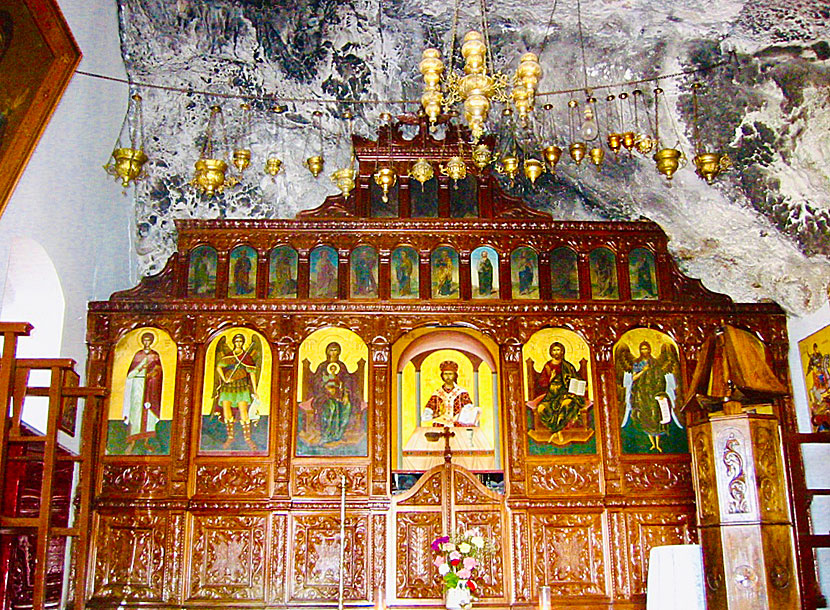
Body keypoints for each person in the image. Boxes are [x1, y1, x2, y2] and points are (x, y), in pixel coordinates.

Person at [301, 341, 365, 447]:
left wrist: (345, 395)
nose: (333, 353)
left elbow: (348, 381)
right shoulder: (322, 366)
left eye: (336, 350)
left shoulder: (341, 366)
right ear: (327, 352)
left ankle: (338, 434)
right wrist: (325, 387)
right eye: (331, 350)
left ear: (339, 352)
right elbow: (315, 382)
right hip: (323, 396)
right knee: (331, 407)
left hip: (340, 395)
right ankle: (326, 434)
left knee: (347, 406)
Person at [621, 340, 678, 453]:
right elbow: (634, 378)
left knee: (655, 416)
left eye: (646, 349)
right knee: (645, 416)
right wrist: (643, 371)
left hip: (654, 393)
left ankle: (658, 443)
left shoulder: (655, 363)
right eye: (642, 349)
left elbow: (661, 378)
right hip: (642, 393)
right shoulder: (638, 363)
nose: (644, 351)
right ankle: (651, 443)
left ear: (650, 350)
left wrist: (660, 392)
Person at [529, 342, 587, 440]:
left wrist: (580, 386)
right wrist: (550, 379)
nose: (556, 352)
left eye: (558, 350)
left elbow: (576, 379)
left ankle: (557, 431)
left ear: (562, 351)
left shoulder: (568, 366)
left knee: (566, 404)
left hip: (566, 394)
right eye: (554, 350)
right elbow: (541, 383)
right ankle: (556, 430)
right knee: (541, 409)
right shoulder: (547, 366)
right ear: (551, 352)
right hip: (551, 396)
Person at [214, 333, 260, 450]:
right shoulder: (229, 356)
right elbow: (218, 367)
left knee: (243, 411)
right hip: (228, 386)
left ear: (243, 342)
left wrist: (255, 390)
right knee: (226, 409)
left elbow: (252, 374)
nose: (238, 343)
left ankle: (247, 438)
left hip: (241, 386)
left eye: (240, 341)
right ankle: (230, 437)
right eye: (236, 341)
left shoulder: (246, 357)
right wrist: (224, 379)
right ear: (234, 342)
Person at [122, 332, 163, 454]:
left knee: (148, 414)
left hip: (150, 388)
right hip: (138, 386)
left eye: (148, 340)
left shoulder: (155, 356)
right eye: (144, 340)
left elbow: (159, 372)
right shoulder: (138, 355)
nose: (146, 343)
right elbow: (130, 375)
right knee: (135, 412)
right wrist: (140, 368)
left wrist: (153, 375)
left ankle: (146, 442)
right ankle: (132, 442)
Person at [422, 361, 474, 426]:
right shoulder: (436, 394)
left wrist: (457, 417)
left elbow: (469, 411)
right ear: (442, 376)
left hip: (458, 426)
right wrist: (436, 417)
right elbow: (426, 414)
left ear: (455, 375)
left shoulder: (462, 393)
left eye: (450, 374)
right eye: (445, 374)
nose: (448, 376)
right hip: (440, 426)